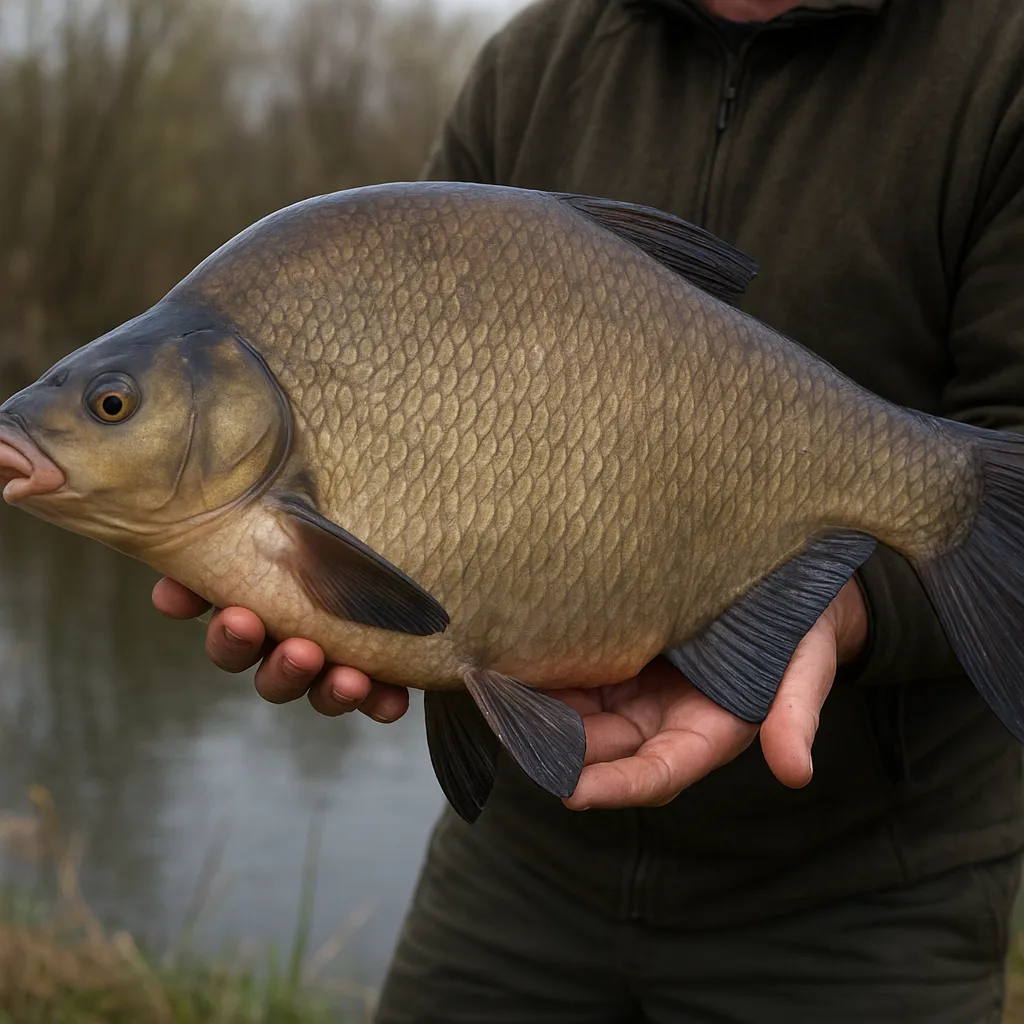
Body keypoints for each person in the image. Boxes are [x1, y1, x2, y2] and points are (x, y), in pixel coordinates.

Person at [153, 0, 1024, 1019]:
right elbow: (407, 411)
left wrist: (835, 601)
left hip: (867, 890)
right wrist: (342, 594)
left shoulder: (998, 64)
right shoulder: (532, 63)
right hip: (521, 858)